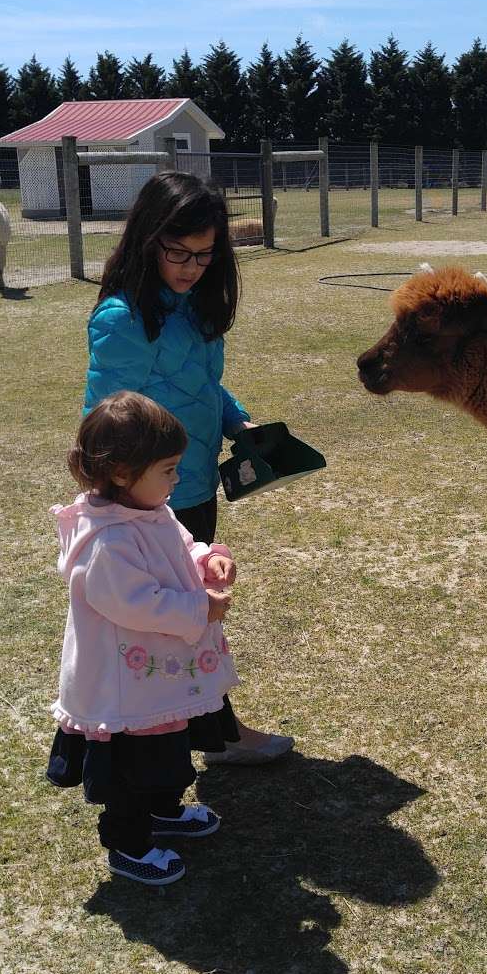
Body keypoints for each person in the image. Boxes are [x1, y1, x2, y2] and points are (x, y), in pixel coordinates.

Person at [83, 169, 291, 764]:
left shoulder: (196, 310)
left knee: (197, 614)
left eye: (204, 254)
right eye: (178, 252)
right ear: (148, 239)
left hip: (194, 484)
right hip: (149, 501)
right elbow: (109, 421)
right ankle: (194, 736)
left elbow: (205, 386)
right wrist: (130, 500)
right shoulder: (123, 320)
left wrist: (241, 426)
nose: (191, 266)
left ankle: (206, 731)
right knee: (174, 621)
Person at [47, 393, 243, 885]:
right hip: (124, 686)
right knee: (134, 768)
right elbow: (137, 604)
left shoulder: (149, 509)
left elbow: (179, 547)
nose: (176, 480)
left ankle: (165, 809)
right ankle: (128, 844)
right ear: (120, 473)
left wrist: (205, 559)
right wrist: (202, 608)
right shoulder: (108, 540)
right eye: (169, 469)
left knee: (167, 748)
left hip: (153, 677)